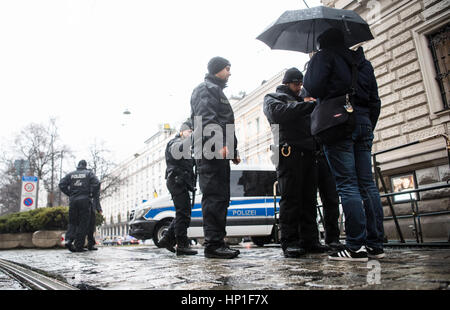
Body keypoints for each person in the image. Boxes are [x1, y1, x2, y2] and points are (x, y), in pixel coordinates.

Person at [303, 28, 384, 262]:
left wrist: (313, 63)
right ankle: (375, 244)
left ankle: (355, 246)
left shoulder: (323, 56)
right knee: (367, 184)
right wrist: (367, 123)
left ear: (321, 43)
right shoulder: (363, 63)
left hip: (338, 124)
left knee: (347, 185)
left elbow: (313, 89)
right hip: (364, 122)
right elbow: (375, 101)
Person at [263, 67, 328, 258]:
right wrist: (308, 105)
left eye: (301, 83)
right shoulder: (273, 98)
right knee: (290, 198)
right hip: (288, 152)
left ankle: (310, 240)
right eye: (296, 83)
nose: (299, 87)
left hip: (308, 153)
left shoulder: (302, 100)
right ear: (287, 83)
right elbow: (278, 114)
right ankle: (290, 241)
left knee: (309, 199)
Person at [190, 56, 241, 259]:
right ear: (217, 69)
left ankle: (218, 241)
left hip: (219, 153)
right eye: (227, 68)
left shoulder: (216, 90)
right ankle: (213, 245)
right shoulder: (205, 89)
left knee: (221, 198)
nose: (230, 72)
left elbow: (226, 123)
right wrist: (219, 144)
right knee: (214, 199)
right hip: (210, 152)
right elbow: (206, 119)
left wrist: (233, 150)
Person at [300, 87, 343, 251]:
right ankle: (311, 240)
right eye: (308, 98)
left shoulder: (322, 110)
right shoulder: (301, 113)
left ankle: (333, 238)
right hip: (308, 158)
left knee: (331, 199)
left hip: (325, 156)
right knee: (308, 201)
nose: (311, 100)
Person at [159, 119, 198, 256]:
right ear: (181, 131)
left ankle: (167, 238)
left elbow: (187, 162)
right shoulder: (175, 142)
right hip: (176, 181)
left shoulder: (184, 146)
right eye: (189, 131)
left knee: (183, 213)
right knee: (183, 214)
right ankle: (182, 245)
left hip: (180, 181)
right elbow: (178, 151)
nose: (191, 134)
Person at [59, 160, 100, 252]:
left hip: (73, 200)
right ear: (85, 165)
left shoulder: (71, 174)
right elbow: (97, 183)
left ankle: (68, 240)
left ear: (78, 165)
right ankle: (79, 245)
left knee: (72, 221)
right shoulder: (89, 174)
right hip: (85, 200)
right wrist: (91, 194)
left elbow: (61, 184)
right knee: (83, 223)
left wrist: (70, 193)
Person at [86, 183, 102, 251]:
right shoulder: (92, 184)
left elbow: (96, 198)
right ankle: (88, 244)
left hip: (91, 208)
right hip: (86, 207)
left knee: (90, 227)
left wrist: (99, 209)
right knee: (88, 227)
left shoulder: (95, 186)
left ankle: (90, 244)